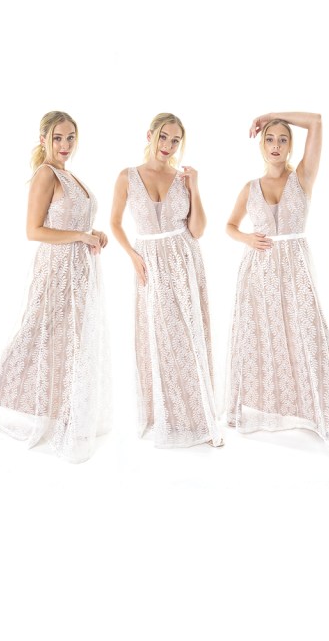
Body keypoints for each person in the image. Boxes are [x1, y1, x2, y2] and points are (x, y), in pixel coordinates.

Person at [0, 111, 111, 463]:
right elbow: (33, 230)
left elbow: (71, 222)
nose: (65, 145)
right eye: (58, 138)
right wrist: (81, 235)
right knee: (35, 331)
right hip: (55, 268)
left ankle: (65, 409)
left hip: (79, 270)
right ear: (44, 140)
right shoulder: (46, 174)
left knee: (71, 339)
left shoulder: (70, 175)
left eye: (70, 137)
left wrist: (94, 233)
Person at [225, 112, 329, 450]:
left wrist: (273, 116)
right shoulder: (250, 188)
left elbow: (316, 121)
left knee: (308, 335)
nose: (276, 145)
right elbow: (230, 226)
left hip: (296, 270)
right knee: (262, 338)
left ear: (290, 146)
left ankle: (321, 414)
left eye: (283, 140)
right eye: (270, 139)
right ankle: (265, 410)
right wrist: (247, 238)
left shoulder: (303, 178)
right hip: (259, 273)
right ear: (261, 145)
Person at [110, 113, 223, 448]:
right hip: (149, 261)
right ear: (150, 135)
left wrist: (194, 187)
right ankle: (167, 415)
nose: (168, 146)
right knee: (158, 336)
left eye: (175, 141)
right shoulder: (127, 176)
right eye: (164, 137)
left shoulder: (182, 178)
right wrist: (133, 255)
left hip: (184, 259)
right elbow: (114, 222)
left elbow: (197, 230)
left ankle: (200, 417)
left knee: (190, 336)